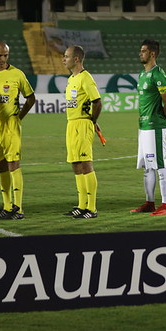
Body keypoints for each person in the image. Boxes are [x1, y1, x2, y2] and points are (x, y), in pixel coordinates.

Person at [0, 41, 36, 220]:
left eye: (5, 55)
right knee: (1, 166)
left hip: (11, 124)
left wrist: (18, 117)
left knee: (13, 164)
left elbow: (31, 98)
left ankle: (18, 208)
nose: (2, 59)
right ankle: (7, 205)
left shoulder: (17, 74)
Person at [130, 40, 166, 216]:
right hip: (144, 126)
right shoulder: (142, 75)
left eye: (143, 51)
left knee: (160, 164)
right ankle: (149, 202)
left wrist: (163, 121)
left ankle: (165, 205)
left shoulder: (158, 74)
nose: (140, 53)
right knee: (147, 167)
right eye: (140, 50)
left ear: (153, 54)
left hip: (154, 126)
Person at [62, 45, 102, 218]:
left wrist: (92, 121)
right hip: (71, 124)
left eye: (66, 56)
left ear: (76, 59)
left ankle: (91, 208)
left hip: (83, 124)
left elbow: (97, 102)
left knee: (86, 164)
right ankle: (81, 205)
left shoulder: (86, 78)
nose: (64, 59)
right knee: (76, 165)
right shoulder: (72, 79)